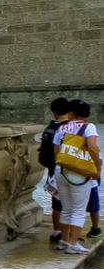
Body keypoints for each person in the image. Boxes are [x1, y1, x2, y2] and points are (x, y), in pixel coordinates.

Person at [52, 99, 101, 255]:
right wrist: (97, 169)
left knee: (66, 208)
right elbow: (92, 147)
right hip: (79, 173)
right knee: (79, 211)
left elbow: (56, 151)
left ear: (71, 113)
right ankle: (73, 244)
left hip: (61, 171)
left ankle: (64, 241)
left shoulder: (61, 127)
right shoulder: (89, 127)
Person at [39, 97, 73, 243]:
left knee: (57, 203)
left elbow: (43, 157)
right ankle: (69, 235)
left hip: (55, 171)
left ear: (54, 112)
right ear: (70, 111)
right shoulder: (74, 128)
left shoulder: (50, 129)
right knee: (72, 204)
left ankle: (57, 231)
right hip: (73, 171)